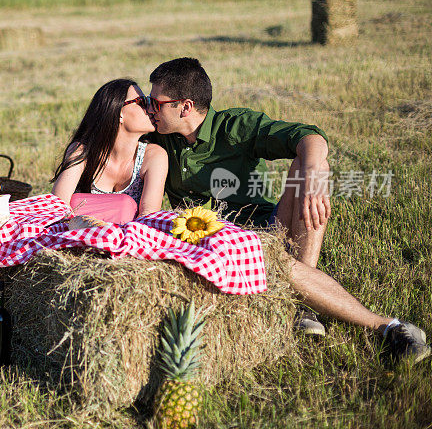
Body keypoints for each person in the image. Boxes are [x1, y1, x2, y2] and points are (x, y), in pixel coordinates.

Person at [144, 57, 430, 364]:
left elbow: (310, 137)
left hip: (266, 227)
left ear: (185, 107)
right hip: (216, 243)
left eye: (155, 102)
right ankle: (374, 321)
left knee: (310, 165)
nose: (149, 108)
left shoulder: (236, 126)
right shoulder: (158, 138)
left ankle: (318, 306)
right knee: (280, 261)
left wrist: (315, 177)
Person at [52, 78, 168, 218]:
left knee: (125, 206)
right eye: (142, 103)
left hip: (130, 236)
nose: (151, 109)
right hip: (82, 234)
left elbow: (149, 216)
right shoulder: (82, 152)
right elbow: (57, 208)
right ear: (119, 113)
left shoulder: (154, 156)